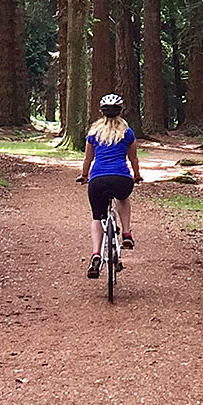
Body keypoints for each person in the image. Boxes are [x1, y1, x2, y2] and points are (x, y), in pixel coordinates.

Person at [79, 92, 141, 278]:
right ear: (120, 111)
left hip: (97, 180)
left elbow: (88, 159)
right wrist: (137, 175)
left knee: (97, 217)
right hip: (121, 178)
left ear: (102, 112)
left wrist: (83, 176)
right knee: (123, 197)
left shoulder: (93, 133)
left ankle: (96, 254)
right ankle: (127, 234)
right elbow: (133, 158)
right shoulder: (127, 132)